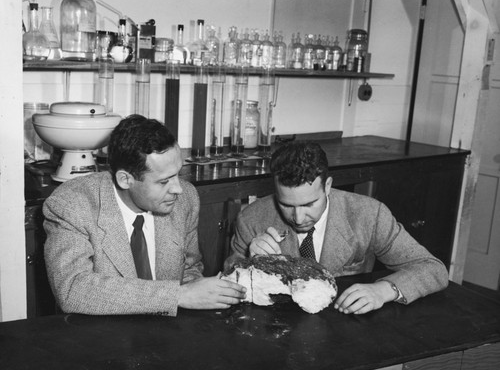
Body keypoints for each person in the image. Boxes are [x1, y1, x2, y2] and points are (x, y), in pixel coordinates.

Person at [44, 115, 246, 316]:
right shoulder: (72, 205)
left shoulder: (185, 199)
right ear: (125, 180)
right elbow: (72, 289)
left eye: (178, 173)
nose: (178, 189)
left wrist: (205, 292)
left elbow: (190, 268)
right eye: (163, 181)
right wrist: (177, 296)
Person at [225, 141, 448, 315]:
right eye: (286, 205)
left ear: (328, 186)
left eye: (309, 204)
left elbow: (433, 268)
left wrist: (384, 290)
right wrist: (249, 263)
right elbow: (228, 282)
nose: (298, 217)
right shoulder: (252, 219)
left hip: (346, 328)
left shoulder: (368, 214)